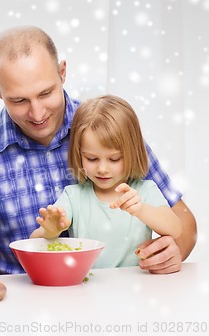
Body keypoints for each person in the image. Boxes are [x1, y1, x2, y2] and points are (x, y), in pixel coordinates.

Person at [0, 25, 197, 275]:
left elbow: (184, 222)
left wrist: (172, 252)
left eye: (46, 93)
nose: (37, 113)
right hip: (16, 299)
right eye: (19, 100)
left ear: (62, 72)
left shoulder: (107, 129)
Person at [29, 94, 182, 268]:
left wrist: (141, 210)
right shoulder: (73, 196)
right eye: (92, 159)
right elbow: (35, 241)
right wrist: (51, 230)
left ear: (133, 152)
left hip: (136, 288)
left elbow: (175, 229)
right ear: (79, 154)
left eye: (114, 159)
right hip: (88, 289)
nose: (102, 169)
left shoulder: (145, 191)